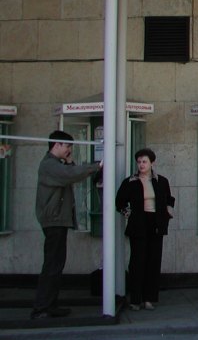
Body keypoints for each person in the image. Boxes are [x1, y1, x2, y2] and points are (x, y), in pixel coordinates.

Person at [32, 130, 102, 319]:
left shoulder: (57, 165)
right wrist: (96, 166)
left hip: (58, 221)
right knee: (52, 265)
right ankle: (41, 307)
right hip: (53, 221)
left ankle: (49, 304)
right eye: (68, 146)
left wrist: (71, 162)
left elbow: (70, 172)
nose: (70, 149)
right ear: (57, 145)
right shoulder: (49, 165)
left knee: (56, 264)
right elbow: (69, 175)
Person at [115, 148, 175, 310]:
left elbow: (169, 199)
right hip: (138, 224)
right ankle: (135, 298)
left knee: (153, 261)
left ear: (152, 163)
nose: (141, 165)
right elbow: (119, 201)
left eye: (144, 162)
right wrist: (129, 214)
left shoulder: (161, 181)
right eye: (139, 162)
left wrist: (168, 212)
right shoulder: (131, 181)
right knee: (137, 261)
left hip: (156, 224)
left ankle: (149, 298)